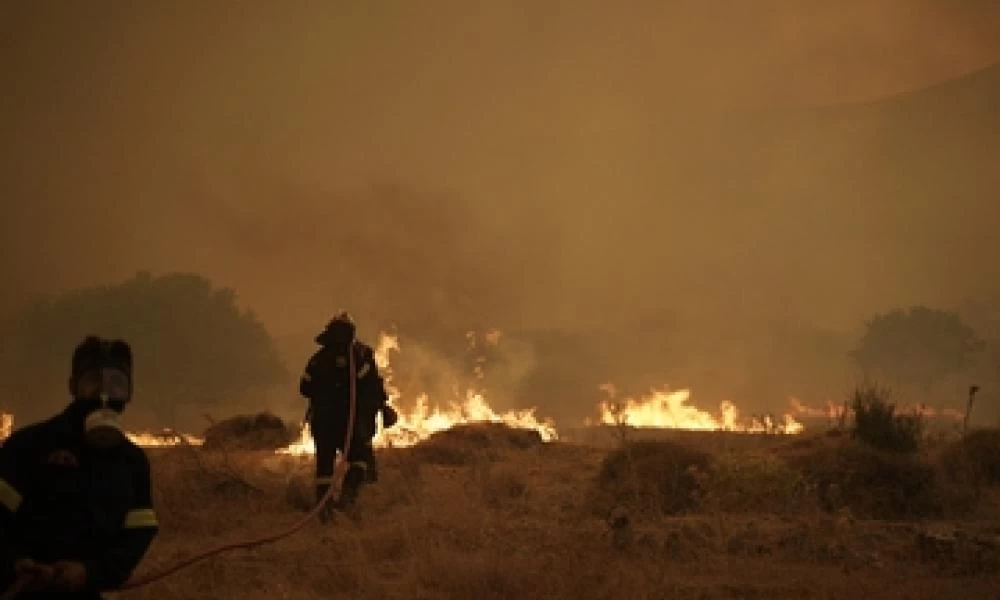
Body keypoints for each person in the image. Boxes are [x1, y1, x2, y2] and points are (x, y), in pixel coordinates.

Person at [0, 336, 159, 598]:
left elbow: (138, 532)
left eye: (117, 384)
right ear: (73, 386)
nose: (104, 396)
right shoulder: (29, 446)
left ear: (129, 392)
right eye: (93, 383)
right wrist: (15, 563)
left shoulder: (131, 461)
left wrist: (90, 572)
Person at [299, 312, 397, 520]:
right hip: (348, 422)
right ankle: (347, 497)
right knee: (359, 458)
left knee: (325, 465)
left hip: (323, 422)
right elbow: (373, 386)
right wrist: (383, 408)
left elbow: (305, 388)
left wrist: (323, 391)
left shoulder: (318, 359)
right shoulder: (360, 357)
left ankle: (324, 510)